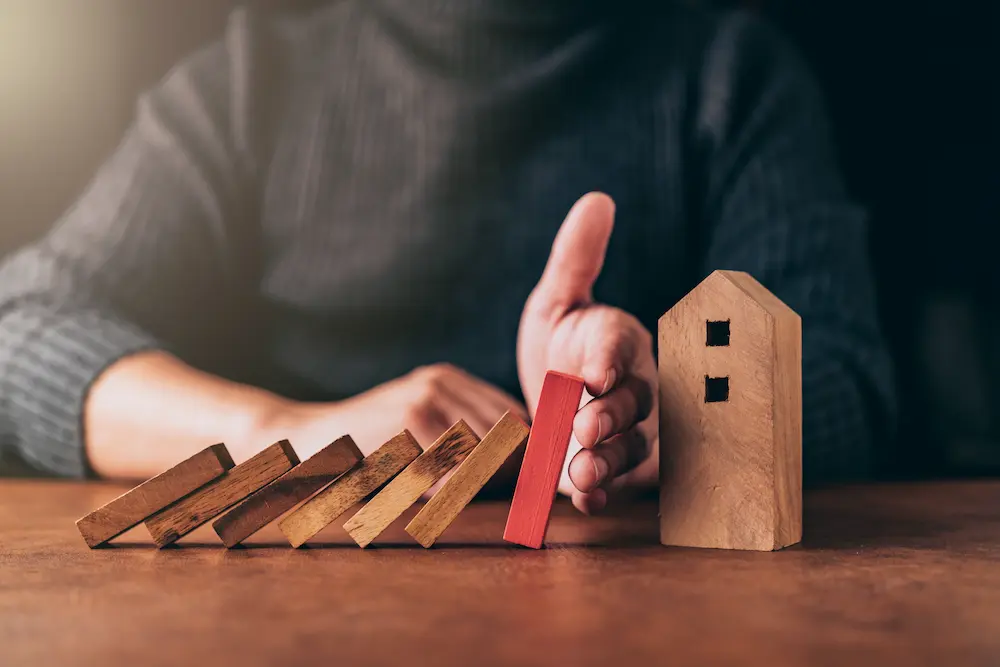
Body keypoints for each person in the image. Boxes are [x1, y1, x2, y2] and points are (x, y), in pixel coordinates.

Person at [0, 0, 895, 514]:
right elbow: (19, 334)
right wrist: (290, 432)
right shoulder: (252, 82)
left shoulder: (730, 74)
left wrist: (672, 418)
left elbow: (848, 380)